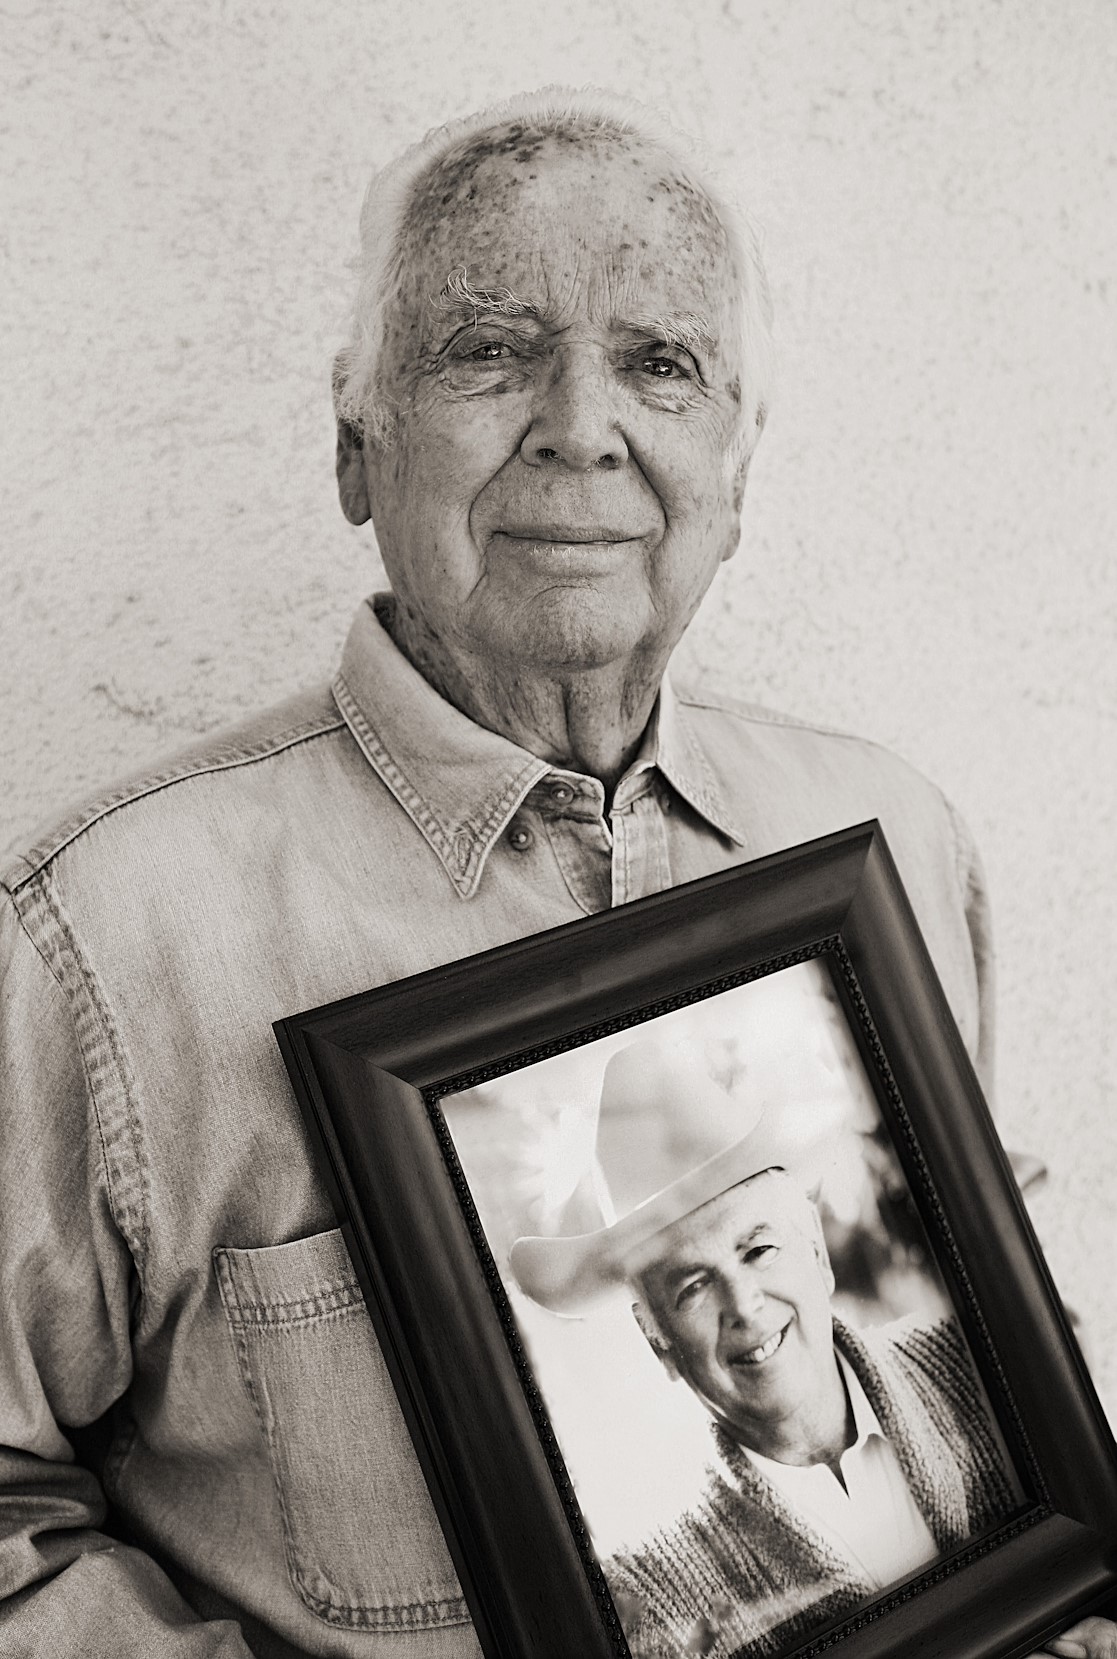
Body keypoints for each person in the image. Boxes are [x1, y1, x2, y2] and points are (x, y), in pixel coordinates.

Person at [0, 86, 1108, 1659]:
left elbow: (1002, 1334)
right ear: (352, 446)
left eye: (660, 362)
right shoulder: (103, 939)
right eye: (486, 350)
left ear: (738, 465)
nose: (579, 423)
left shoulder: (893, 836)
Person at [510, 1041, 1016, 1659]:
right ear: (658, 1342)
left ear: (818, 1253)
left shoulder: (987, 1367)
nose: (745, 1305)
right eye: (694, 1287)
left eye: (759, 1251)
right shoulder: (650, 1604)